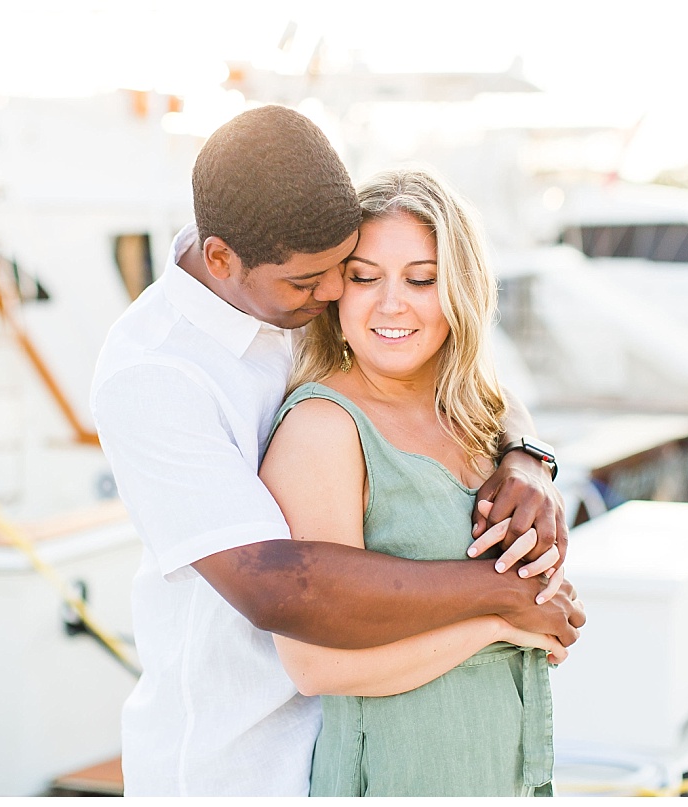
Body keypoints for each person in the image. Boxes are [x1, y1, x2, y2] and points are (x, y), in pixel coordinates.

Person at [90, 105, 585, 797]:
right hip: (234, 763)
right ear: (222, 260)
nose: (333, 296)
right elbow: (277, 585)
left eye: (339, 271)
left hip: (352, 740)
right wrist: (504, 598)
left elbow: (453, 370)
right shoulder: (154, 374)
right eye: (316, 282)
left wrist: (528, 456)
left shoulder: (292, 281)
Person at [260, 166, 561, 797]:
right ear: (337, 290)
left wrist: (528, 457)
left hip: (502, 770)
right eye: (365, 277)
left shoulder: (475, 415)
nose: (390, 303)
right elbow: (316, 666)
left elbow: (503, 403)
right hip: (397, 774)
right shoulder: (324, 428)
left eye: (421, 280)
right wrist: (501, 624)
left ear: (460, 292)